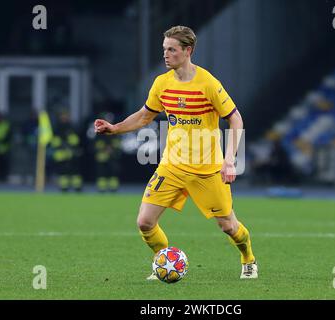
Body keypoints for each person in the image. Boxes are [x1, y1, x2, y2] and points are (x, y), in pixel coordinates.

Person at [95, 26, 257, 279]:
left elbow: (236, 120)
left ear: (187, 51)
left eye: (171, 49)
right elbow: (145, 116)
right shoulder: (162, 83)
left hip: (207, 170)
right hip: (172, 166)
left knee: (229, 226)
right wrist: (115, 128)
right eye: (164, 49)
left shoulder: (208, 84)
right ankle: (165, 261)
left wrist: (229, 161)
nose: (166, 55)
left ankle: (248, 258)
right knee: (144, 222)